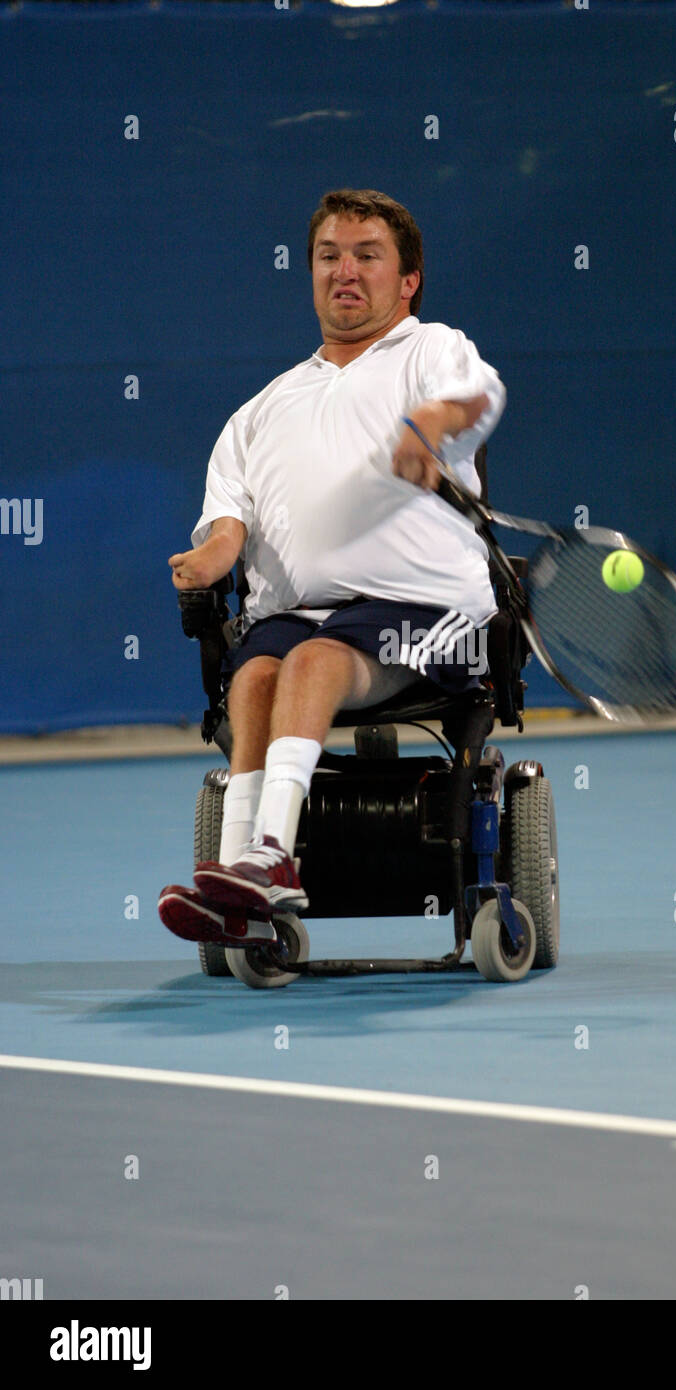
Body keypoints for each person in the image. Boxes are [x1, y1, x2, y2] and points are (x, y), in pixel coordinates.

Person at [159, 189, 505, 948]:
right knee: (254, 676)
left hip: (430, 615)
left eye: (367, 255)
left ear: (407, 279)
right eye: (329, 256)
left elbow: (474, 398)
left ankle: (272, 861)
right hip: (297, 616)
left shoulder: (432, 349)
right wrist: (213, 556)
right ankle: (233, 882)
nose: (345, 272)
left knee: (312, 660)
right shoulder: (261, 409)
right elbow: (228, 519)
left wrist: (429, 423)